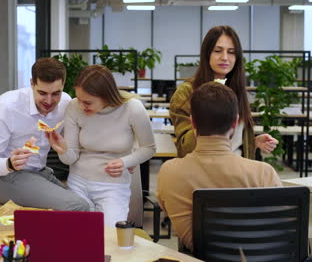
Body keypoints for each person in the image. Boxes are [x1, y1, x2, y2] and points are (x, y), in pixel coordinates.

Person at [157, 82, 283, 252]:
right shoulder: (263, 173)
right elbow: (279, 227)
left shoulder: (169, 172)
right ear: (235, 123)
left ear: (193, 123)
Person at [46, 65, 156, 226]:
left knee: (109, 239)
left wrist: (125, 162)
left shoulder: (133, 109)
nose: (82, 106)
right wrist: (62, 150)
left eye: (88, 102)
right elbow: (71, 158)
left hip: (114, 187)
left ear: (106, 96)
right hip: (78, 183)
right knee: (76, 235)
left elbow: (149, 148)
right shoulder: (74, 107)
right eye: (79, 99)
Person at [0, 57, 89, 211]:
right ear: (32, 83)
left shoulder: (65, 102)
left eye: (56, 93)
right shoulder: (5, 107)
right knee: (78, 206)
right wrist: (9, 163)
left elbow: (76, 145)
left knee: (89, 206)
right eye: (42, 93)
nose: (49, 101)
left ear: (63, 85)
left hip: (42, 173)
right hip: (5, 177)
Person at [170, 25, 277, 159]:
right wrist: (208, 116)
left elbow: (233, 144)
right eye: (218, 51)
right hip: (205, 172)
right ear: (206, 53)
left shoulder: (236, 90)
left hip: (237, 170)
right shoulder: (186, 92)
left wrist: (253, 142)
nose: (225, 57)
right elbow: (184, 148)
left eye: (231, 52)